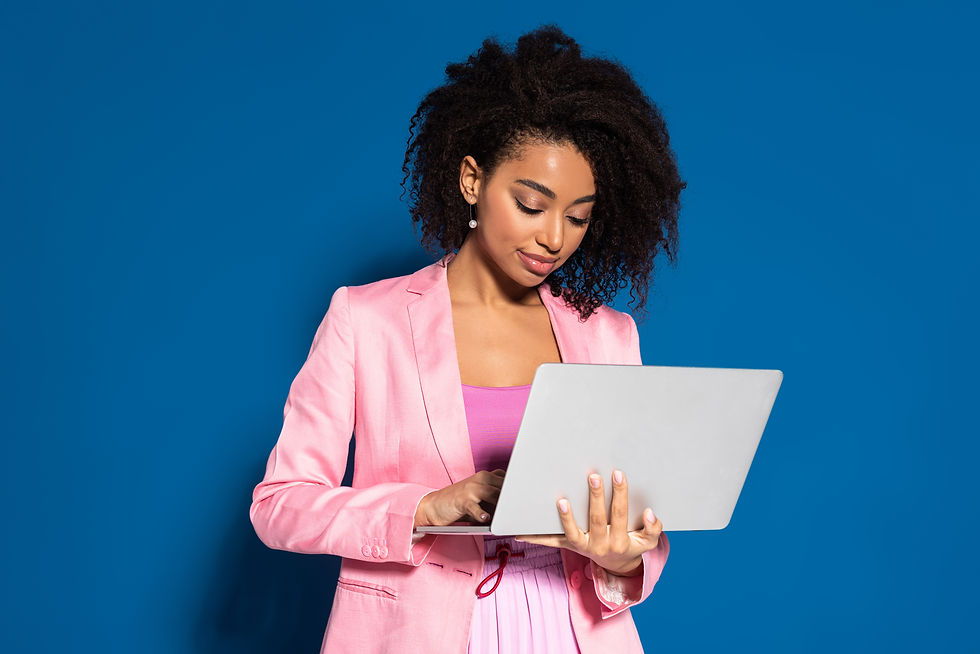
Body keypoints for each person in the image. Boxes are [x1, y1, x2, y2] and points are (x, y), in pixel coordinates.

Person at [250, 25, 685, 653]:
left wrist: (621, 557)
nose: (554, 238)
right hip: (415, 634)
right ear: (473, 180)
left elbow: (635, 523)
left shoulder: (608, 335)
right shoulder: (365, 320)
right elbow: (280, 505)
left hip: (572, 634)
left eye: (578, 217)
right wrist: (426, 507)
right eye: (531, 205)